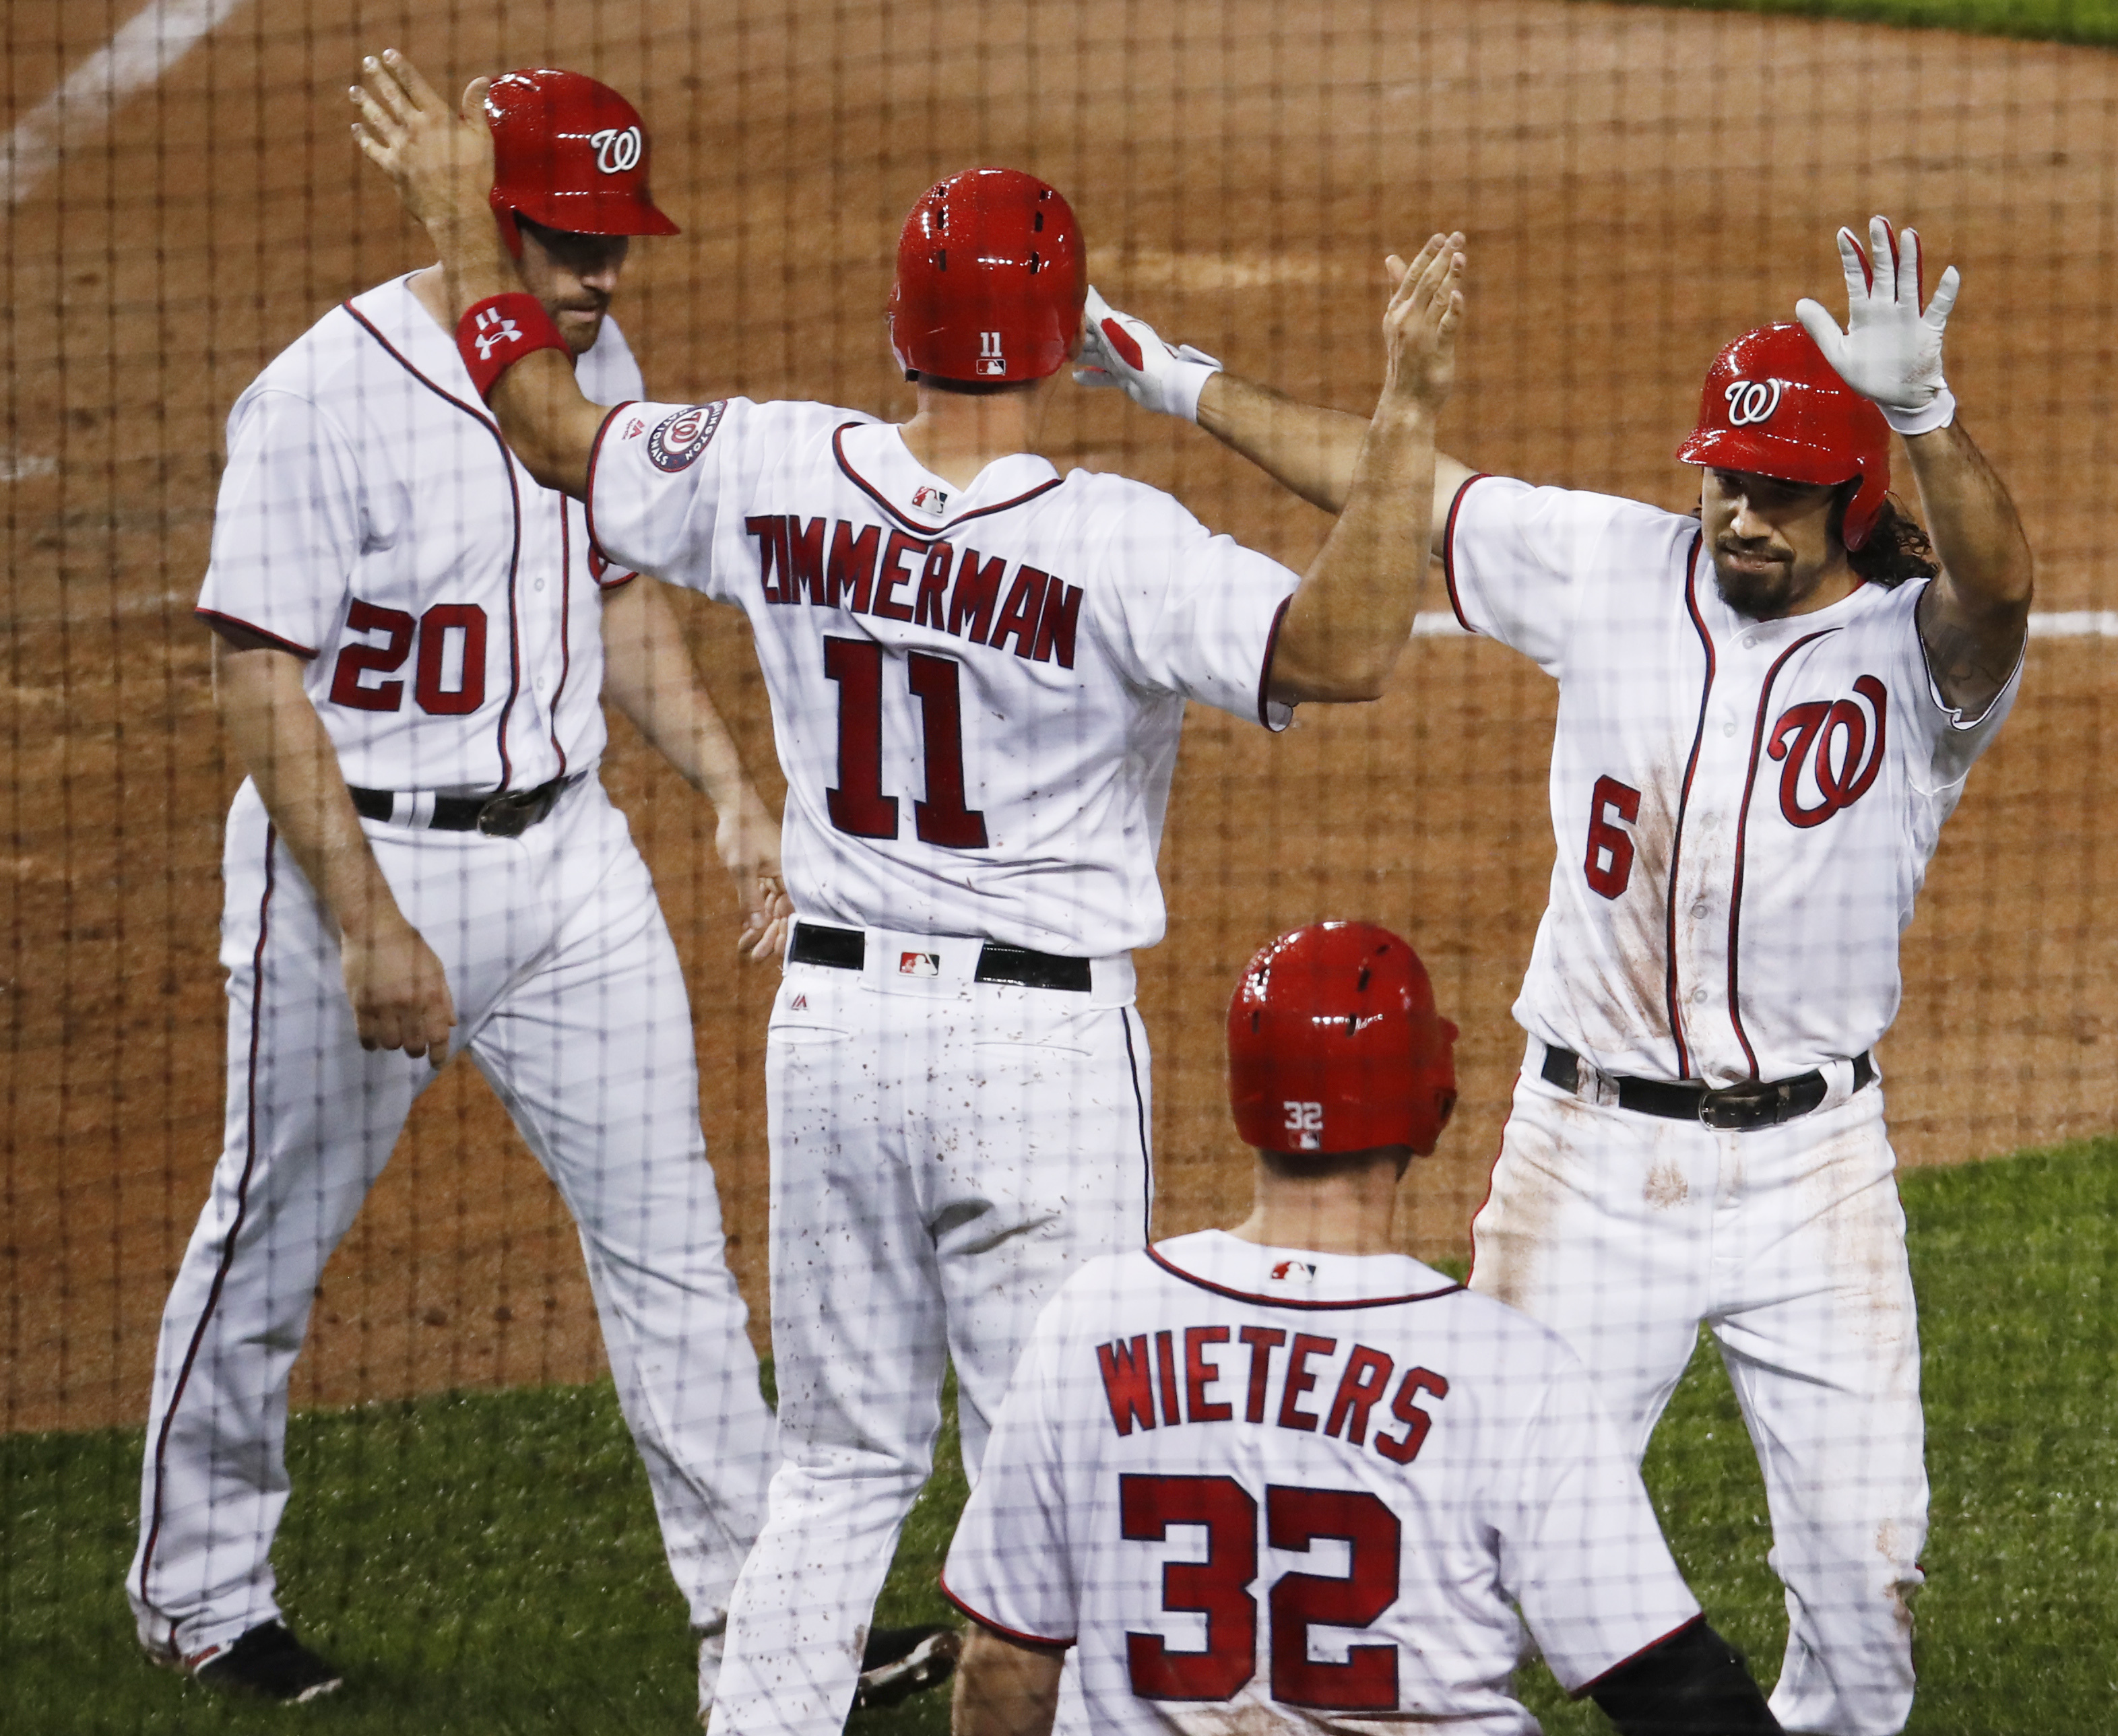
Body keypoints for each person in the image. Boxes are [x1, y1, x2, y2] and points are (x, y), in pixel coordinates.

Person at [346, 47, 1464, 1736]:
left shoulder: (778, 463)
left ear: (897, 330)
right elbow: (1349, 644)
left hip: (835, 1030)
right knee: (1056, 1487)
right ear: (1070, 342)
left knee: (836, 1460)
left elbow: (556, 433)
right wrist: (1406, 414)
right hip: (1034, 1063)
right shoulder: (1116, 537)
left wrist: (459, 225)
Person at [1080, 219, 2032, 1735]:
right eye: (1724, 480)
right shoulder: (1609, 564)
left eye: (1781, 495)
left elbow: (1999, 590)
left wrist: (1924, 417)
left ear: (1852, 496)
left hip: (1814, 1175)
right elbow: (1401, 494)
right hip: (1585, 1158)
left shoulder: (1916, 658)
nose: (1740, 518)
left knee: (1867, 1585)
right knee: (1461, 1540)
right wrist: (1177, 379)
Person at [133, 67, 782, 1714]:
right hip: (363, 855)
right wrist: (366, 922)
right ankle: (201, 1598)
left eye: (615, 245)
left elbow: (620, 597)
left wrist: (725, 789)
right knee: (269, 1238)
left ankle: (761, 1620)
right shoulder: (319, 398)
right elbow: (254, 680)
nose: (599, 279)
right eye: (569, 242)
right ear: (490, 219)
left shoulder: (589, 370)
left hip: (574, 866)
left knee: (674, 1246)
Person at [941, 920, 1784, 1736]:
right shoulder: (1502, 1368)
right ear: (1432, 1106)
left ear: (1244, 1099)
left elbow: (1006, 1656)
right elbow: (1667, 1684)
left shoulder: (1096, 1318)